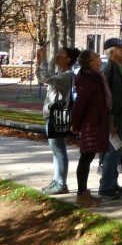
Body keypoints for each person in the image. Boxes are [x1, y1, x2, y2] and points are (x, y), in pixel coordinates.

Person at [71, 49, 112, 208]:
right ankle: (81, 194)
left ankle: (84, 192)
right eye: (96, 56)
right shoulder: (88, 80)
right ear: (90, 63)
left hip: (97, 122)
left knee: (88, 157)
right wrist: (75, 125)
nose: (99, 57)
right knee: (86, 158)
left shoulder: (96, 77)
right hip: (91, 124)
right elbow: (79, 105)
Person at [35, 46, 79, 196]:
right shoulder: (61, 73)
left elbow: (46, 78)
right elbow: (42, 78)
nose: (57, 56)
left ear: (68, 60)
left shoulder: (67, 75)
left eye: (60, 55)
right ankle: (57, 180)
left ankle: (61, 183)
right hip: (51, 116)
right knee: (56, 151)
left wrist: (44, 61)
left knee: (59, 151)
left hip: (57, 116)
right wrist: (39, 61)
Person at [98, 38, 122, 199]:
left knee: (118, 152)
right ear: (112, 52)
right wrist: (111, 122)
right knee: (113, 153)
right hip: (116, 120)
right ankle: (106, 186)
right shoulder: (109, 70)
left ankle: (113, 184)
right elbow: (107, 100)